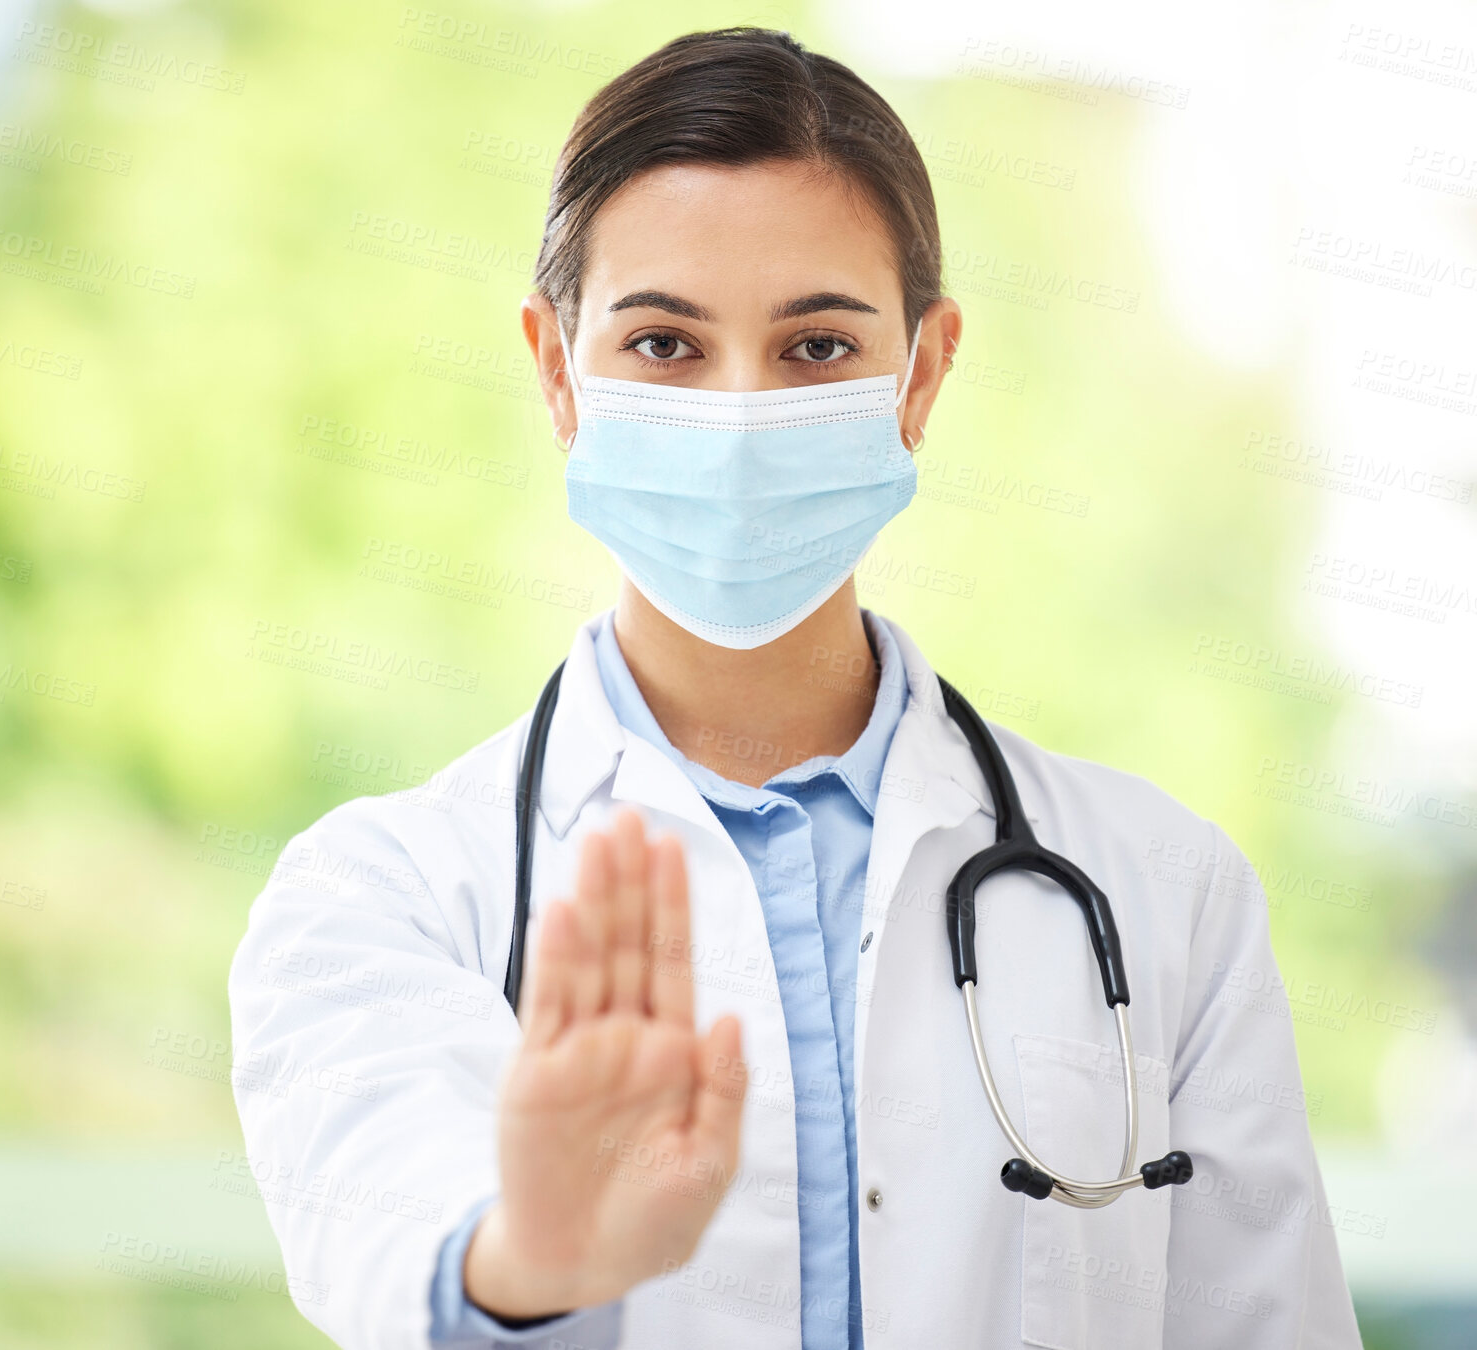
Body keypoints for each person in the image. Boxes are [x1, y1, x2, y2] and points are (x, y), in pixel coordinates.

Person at [227, 25, 1364, 1350]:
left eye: (817, 347)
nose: (744, 408)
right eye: (664, 344)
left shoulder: (1168, 893)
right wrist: (535, 1256)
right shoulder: (380, 896)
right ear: (556, 369)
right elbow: (392, 1249)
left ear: (922, 374)